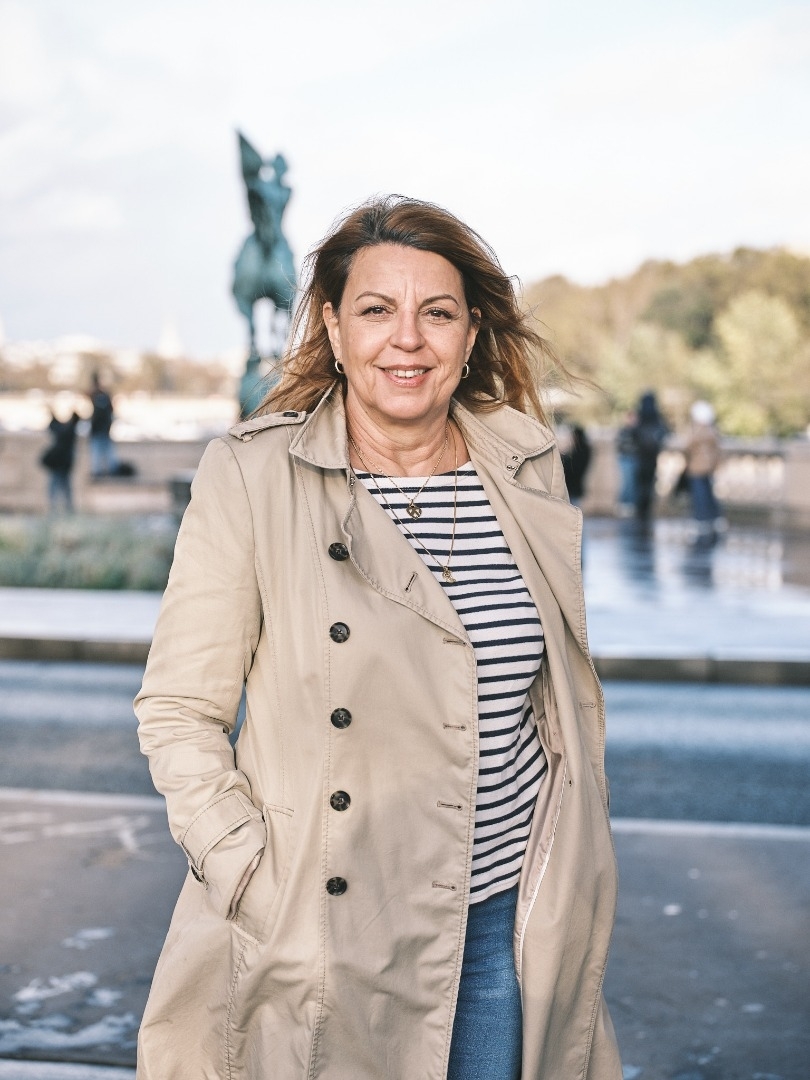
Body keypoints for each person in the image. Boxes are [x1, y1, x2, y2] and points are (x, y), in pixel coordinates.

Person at [135, 196, 621, 1080]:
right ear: (333, 327)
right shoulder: (254, 473)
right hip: (324, 926)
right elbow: (178, 707)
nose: (407, 340)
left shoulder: (524, 465)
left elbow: (551, 704)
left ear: (471, 333)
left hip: (503, 923)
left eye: (436, 313)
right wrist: (244, 868)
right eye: (375, 310)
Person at [684, 400, 722, 538]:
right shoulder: (712, 431)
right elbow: (717, 450)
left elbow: (688, 446)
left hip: (697, 467)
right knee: (708, 494)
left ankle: (701, 519)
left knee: (699, 495)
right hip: (709, 467)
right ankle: (715, 518)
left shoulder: (697, 431)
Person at [630, 391, 667, 522]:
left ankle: (640, 511)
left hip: (641, 457)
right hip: (651, 457)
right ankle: (645, 511)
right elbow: (663, 433)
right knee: (648, 485)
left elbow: (633, 434)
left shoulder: (641, 417)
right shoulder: (657, 418)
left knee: (640, 485)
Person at [40, 410, 81, 512]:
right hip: (63, 464)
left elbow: (57, 429)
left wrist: (52, 415)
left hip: (61, 463)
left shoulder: (69, 431)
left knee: (58, 486)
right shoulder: (71, 430)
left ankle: (57, 507)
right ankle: (65, 508)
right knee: (64, 487)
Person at [87, 372, 117, 477]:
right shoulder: (103, 395)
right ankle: (109, 468)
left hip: (100, 428)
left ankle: (100, 470)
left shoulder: (97, 395)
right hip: (103, 427)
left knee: (98, 449)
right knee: (105, 449)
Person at [560, 422, 592, 506]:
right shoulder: (583, 450)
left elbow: (572, 466)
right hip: (575, 486)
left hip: (573, 486)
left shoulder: (580, 451)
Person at [615, 409, 637, 516]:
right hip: (625, 459)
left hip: (634, 459)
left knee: (633, 483)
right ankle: (625, 505)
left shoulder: (637, 431)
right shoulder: (623, 431)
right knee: (626, 483)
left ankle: (631, 505)